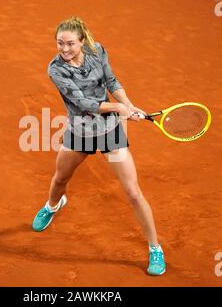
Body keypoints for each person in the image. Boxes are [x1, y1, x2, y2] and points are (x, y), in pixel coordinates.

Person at [32, 16, 166, 276]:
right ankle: (52, 206)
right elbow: (83, 104)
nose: (64, 49)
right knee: (60, 179)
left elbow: (112, 81)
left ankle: (155, 248)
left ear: (82, 41)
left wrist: (129, 104)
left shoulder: (97, 51)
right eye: (60, 44)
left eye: (70, 43)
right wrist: (119, 107)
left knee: (133, 193)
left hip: (109, 133)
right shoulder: (56, 69)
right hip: (79, 132)